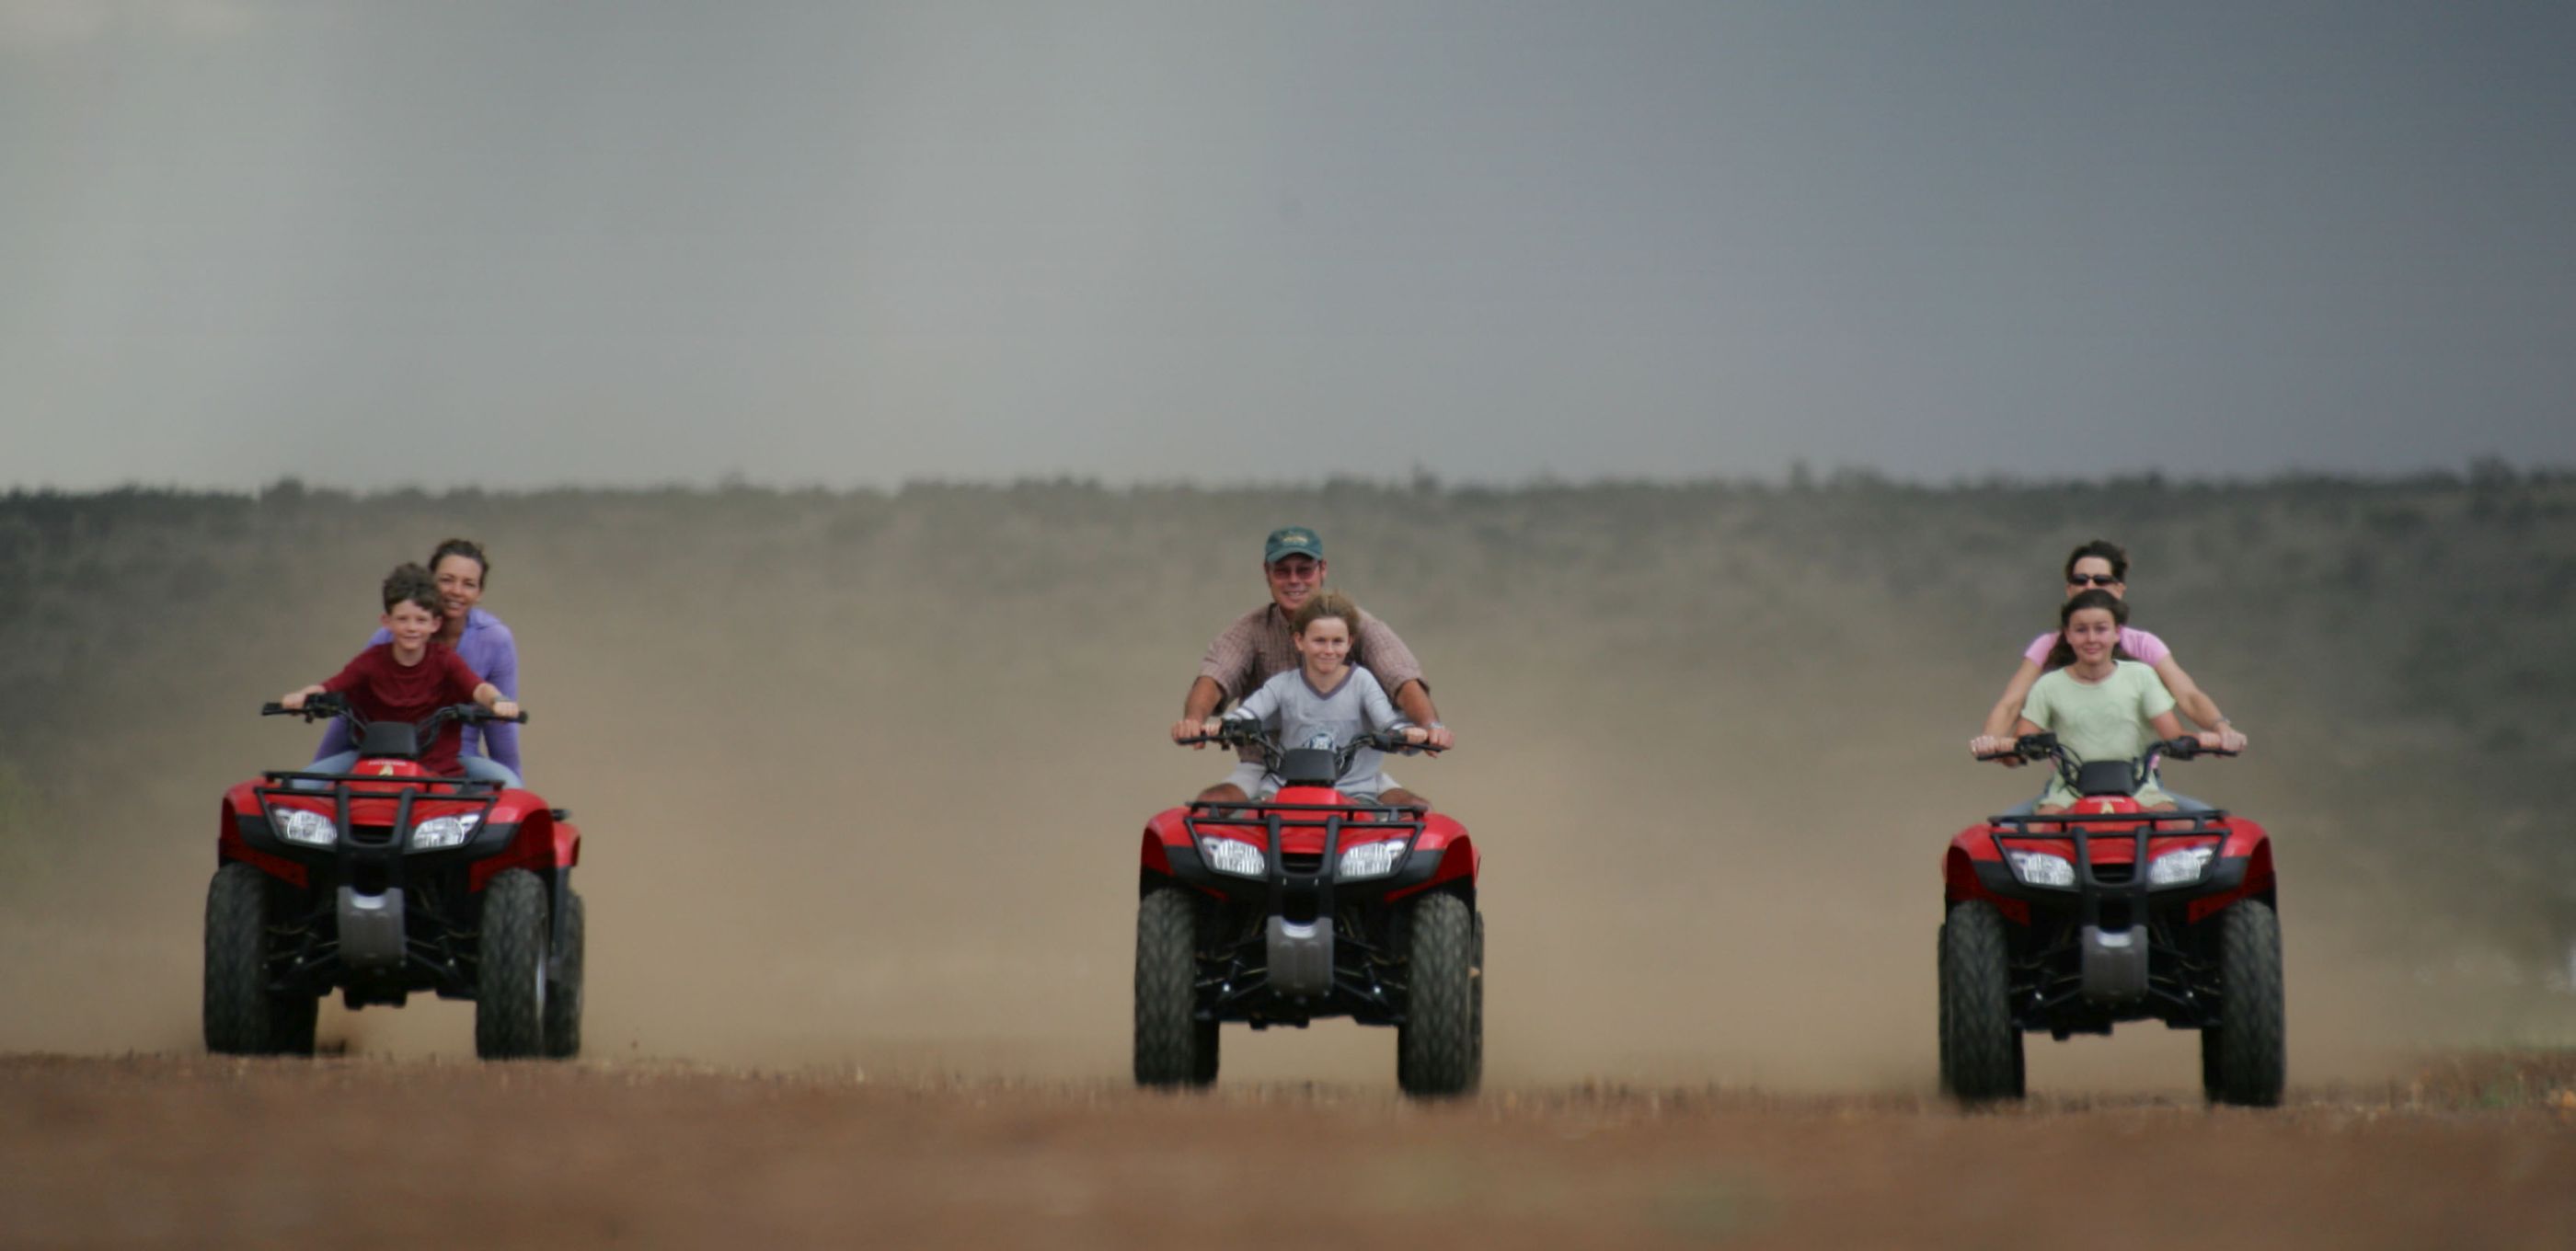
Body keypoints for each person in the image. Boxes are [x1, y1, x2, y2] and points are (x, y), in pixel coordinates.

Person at [1169, 526, 1454, 810]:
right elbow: (1216, 677)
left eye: (1304, 570)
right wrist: (1195, 721)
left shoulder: (1361, 637)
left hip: (1352, 773)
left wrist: (1429, 727)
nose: (1294, 581)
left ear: (1322, 570)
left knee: (1416, 815)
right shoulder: (1254, 636)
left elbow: (1402, 680)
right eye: (1283, 571)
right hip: (1270, 771)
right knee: (1209, 809)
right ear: (1298, 641)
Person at [1975, 590, 2231, 813]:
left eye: (2101, 629)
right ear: (2068, 635)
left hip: (2140, 790)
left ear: (2117, 633)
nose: (2091, 639)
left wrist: (2209, 738)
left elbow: (2173, 736)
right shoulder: (2048, 686)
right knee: (2039, 835)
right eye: (2081, 630)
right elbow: (2022, 746)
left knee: (2179, 832)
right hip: (2068, 794)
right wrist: (1998, 748)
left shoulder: (2141, 676)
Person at [282, 565, 523, 783]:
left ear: (434, 624)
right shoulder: (372, 660)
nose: (411, 628)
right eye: (403, 619)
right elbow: (332, 686)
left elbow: (478, 688)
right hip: (372, 764)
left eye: (420, 620)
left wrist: (497, 701)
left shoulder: (446, 660)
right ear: (386, 622)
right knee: (297, 788)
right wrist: (302, 696)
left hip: (438, 769)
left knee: (510, 787)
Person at [1201, 591, 1431, 802]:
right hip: (1284, 791)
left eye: (1337, 642)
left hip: (1353, 792)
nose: (1329, 651)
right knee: (1243, 830)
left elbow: (1387, 722)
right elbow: (1248, 713)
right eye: (1319, 641)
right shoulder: (1281, 685)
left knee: (1388, 831)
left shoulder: (1362, 681)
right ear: (1299, 641)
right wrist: (1224, 726)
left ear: (1350, 642)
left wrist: (1406, 734)